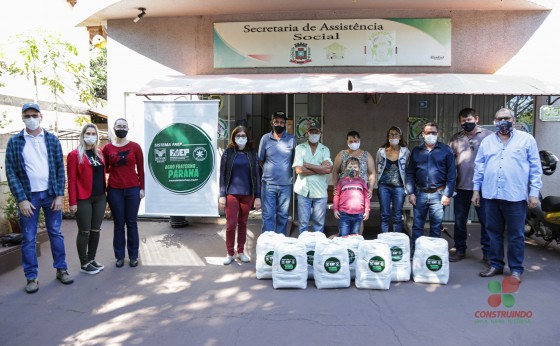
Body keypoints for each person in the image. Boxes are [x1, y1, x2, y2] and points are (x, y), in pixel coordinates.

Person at [5, 103, 73, 293]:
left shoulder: (51, 139)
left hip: (51, 195)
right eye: (27, 116)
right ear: (22, 118)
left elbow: (60, 168)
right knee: (28, 237)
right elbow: (11, 172)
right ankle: (31, 277)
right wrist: (21, 199)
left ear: (41, 116)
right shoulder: (15, 141)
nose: (31, 118)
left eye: (34, 115)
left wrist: (60, 195)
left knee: (56, 233)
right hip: (29, 197)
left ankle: (61, 269)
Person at [474, 108, 542, 282]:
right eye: (499, 118)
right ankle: (496, 265)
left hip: (515, 196)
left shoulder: (527, 140)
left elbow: (535, 168)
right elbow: (479, 167)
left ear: (514, 119)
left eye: (506, 118)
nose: (503, 121)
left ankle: (516, 269)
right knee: (493, 232)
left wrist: (534, 193)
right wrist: (476, 190)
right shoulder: (487, 141)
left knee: (516, 234)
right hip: (490, 195)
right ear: (495, 121)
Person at [448, 108, 493, 263]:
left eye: (469, 120)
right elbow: (448, 162)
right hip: (461, 187)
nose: (466, 123)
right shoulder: (456, 139)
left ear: (476, 118)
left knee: (486, 222)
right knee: (460, 221)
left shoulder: (489, 136)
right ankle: (460, 249)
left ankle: (487, 253)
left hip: (483, 188)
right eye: (463, 121)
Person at [103, 118, 145, 268]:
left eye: (123, 126)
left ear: (128, 128)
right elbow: (105, 168)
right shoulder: (107, 149)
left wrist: (142, 188)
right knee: (118, 224)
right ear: (114, 128)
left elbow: (140, 168)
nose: (121, 128)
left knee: (132, 223)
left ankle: (133, 256)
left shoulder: (135, 147)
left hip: (133, 189)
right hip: (114, 190)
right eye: (118, 126)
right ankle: (119, 256)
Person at [406, 122, 456, 247]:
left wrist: (447, 194)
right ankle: (417, 252)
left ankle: (432, 253)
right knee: (417, 226)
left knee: (436, 226)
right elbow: (410, 173)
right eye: (428, 133)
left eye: (434, 132)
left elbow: (452, 175)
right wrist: (411, 192)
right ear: (423, 134)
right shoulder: (416, 151)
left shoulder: (446, 150)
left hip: (438, 195)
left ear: (438, 134)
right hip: (419, 194)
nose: (431, 135)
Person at [67, 123, 107, 275]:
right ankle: (84, 263)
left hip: (100, 197)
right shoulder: (74, 155)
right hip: (83, 198)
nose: (90, 136)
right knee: (84, 231)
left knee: (95, 230)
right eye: (88, 133)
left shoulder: (100, 153)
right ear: (83, 135)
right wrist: (72, 202)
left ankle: (91, 259)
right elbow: (71, 180)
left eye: (93, 133)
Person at [219, 126, 261, 265]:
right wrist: (222, 194)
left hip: (247, 194)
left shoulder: (252, 154)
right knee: (231, 224)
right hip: (231, 194)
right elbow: (222, 175)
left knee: (243, 223)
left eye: (243, 135)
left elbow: (256, 176)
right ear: (233, 137)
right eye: (238, 135)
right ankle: (230, 253)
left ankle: (241, 252)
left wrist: (258, 196)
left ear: (248, 137)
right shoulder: (228, 153)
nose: (241, 138)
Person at [258, 111, 296, 235]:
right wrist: (271, 171)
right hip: (268, 184)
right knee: (268, 214)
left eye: (281, 122)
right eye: (276, 122)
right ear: (272, 123)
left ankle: (281, 242)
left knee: (283, 215)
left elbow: (295, 160)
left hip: (286, 184)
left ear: (285, 124)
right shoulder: (265, 138)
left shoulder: (292, 139)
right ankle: (268, 243)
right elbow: (261, 160)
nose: (279, 124)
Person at [293, 121, 332, 234]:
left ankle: (317, 248)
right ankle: (303, 248)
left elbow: (327, 169)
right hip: (303, 191)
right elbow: (299, 170)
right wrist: (319, 169)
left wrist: (308, 165)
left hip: (320, 191)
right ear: (307, 133)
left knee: (319, 225)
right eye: (312, 132)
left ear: (321, 133)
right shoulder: (300, 148)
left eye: (316, 132)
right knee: (303, 223)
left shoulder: (325, 149)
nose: (314, 134)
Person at [375, 126, 410, 233]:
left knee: (397, 215)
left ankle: (396, 240)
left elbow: (408, 169)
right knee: (384, 214)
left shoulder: (406, 152)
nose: (393, 136)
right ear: (387, 136)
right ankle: (384, 239)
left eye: (396, 134)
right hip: (383, 186)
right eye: (391, 134)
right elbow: (377, 167)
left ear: (400, 136)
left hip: (399, 187)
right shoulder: (381, 152)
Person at [332, 130, 376, 198]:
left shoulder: (366, 155)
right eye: (351, 141)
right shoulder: (341, 154)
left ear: (359, 140)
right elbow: (335, 171)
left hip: (362, 189)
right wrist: (335, 187)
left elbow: (372, 173)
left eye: (355, 141)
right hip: (344, 189)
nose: (353, 143)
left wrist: (370, 189)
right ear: (347, 141)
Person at [333, 157, 370, 236]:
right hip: (344, 214)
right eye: (350, 167)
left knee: (355, 236)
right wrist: (335, 209)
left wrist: (367, 211)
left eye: (355, 167)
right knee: (343, 235)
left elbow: (366, 197)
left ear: (359, 169)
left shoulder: (362, 182)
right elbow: (337, 195)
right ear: (346, 169)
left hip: (358, 214)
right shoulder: (341, 181)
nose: (352, 169)